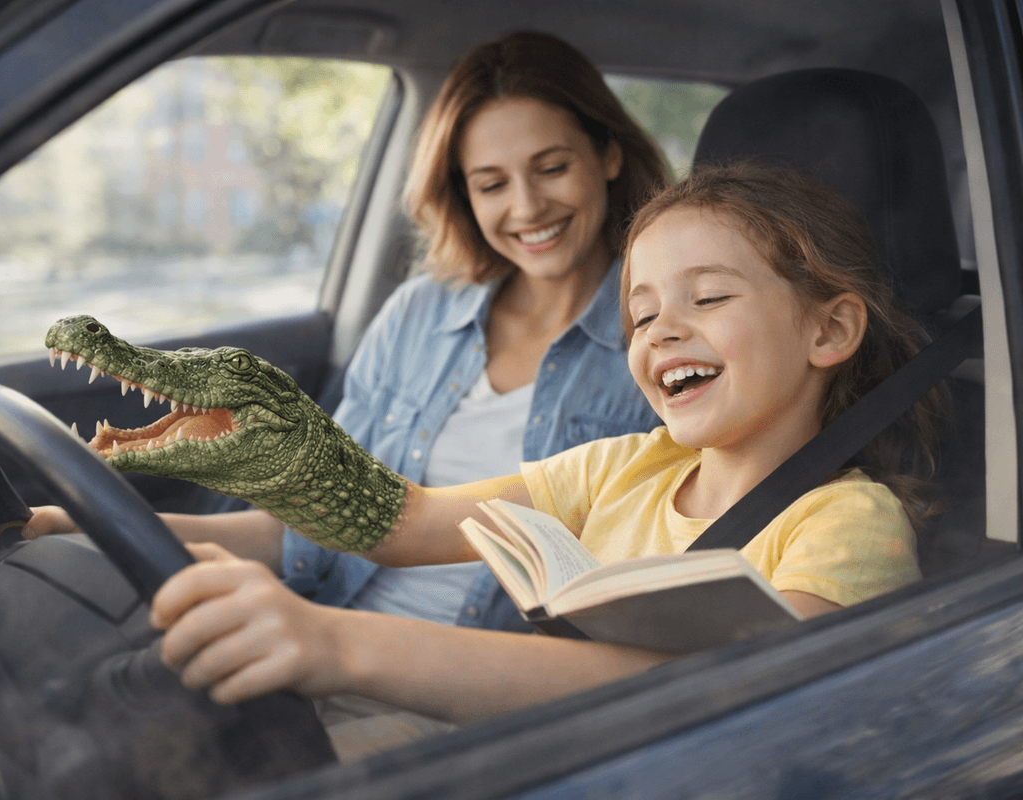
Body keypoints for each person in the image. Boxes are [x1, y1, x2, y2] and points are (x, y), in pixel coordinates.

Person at [0, 30, 667, 756]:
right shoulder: (419, 314)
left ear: (608, 155)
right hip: (308, 640)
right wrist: (73, 525)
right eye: (491, 183)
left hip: (467, 708)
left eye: (552, 167)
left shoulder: (667, 343)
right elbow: (307, 527)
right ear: (461, 191)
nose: (527, 206)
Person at [135, 162, 940, 750]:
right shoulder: (621, 465)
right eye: (642, 310)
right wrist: (268, 457)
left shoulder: (848, 521)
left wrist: (338, 644)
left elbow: (751, 699)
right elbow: (406, 522)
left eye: (710, 297)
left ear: (829, 330)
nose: (660, 330)